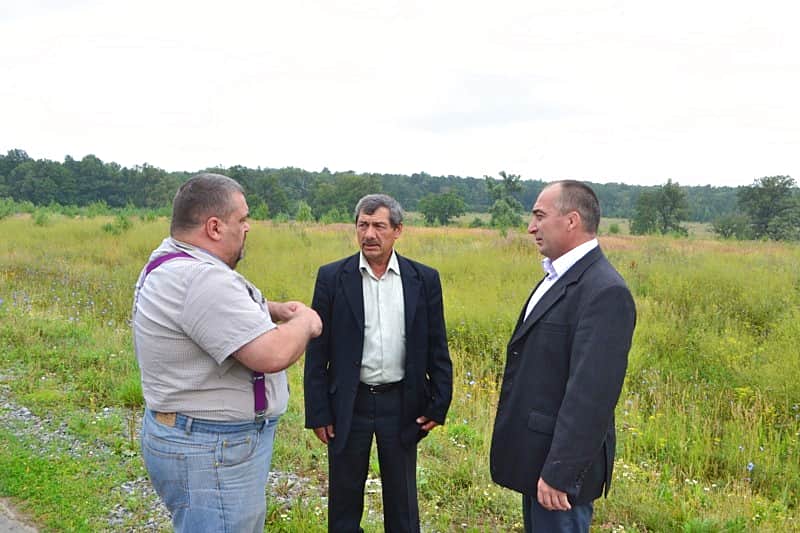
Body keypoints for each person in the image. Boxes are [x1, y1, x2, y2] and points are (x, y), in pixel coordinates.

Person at [132, 173, 322, 533]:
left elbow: (214, 313)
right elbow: (271, 353)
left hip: (197, 441)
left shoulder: (171, 258)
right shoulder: (200, 279)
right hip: (212, 450)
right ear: (215, 227)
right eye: (242, 219)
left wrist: (274, 309)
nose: (248, 227)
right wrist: (305, 323)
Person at [490, 180, 636, 532]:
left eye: (540, 216)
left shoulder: (605, 292)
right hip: (538, 458)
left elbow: (592, 396)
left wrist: (561, 472)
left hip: (559, 475)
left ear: (571, 220)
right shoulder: (557, 276)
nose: (531, 227)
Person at [304, 194, 453, 532]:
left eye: (379, 226)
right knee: (343, 498)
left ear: (397, 230)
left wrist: (439, 402)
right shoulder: (332, 278)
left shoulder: (423, 279)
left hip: (401, 402)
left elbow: (436, 345)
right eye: (363, 225)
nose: (369, 234)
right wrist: (319, 411)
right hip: (348, 404)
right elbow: (318, 351)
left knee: (402, 501)